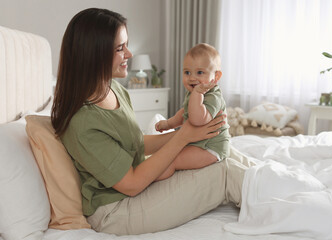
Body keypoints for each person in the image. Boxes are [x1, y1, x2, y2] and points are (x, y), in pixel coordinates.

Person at [51, 8, 255, 236]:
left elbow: (135, 143)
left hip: (137, 187)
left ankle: (273, 181)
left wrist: (197, 136)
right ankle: (282, 205)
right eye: (120, 48)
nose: (129, 54)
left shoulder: (114, 89)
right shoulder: (82, 122)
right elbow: (130, 183)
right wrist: (185, 136)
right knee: (224, 172)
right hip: (115, 210)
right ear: (94, 54)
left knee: (223, 151)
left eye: (126, 44)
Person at [155, 43, 230, 180]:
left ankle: (150, 180)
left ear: (216, 76)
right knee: (165, 152)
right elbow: (185, 112)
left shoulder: (213, 96)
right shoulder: (195, 92)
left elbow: (197, 119)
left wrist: (197, 94)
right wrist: (168, 124)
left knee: (172, 160)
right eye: (187, 72)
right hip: (197, 142)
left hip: (210, 148)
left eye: (200, 72)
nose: (192, 78)